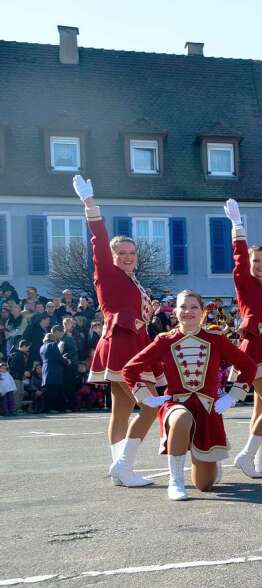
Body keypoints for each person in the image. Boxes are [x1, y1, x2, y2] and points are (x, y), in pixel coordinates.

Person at [123, 290, 257, 501]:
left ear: (202, 312)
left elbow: (249, 367)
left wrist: (233, 396)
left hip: (208, 410)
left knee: (205, 485)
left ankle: (207, 460)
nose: (188, 311)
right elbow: (130, 369)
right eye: (183, 307)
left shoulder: (216, 339)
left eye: (194, 307)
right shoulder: (164, 340)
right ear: (175, 311)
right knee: (181, 417)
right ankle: (175, 481)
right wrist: (146, 398)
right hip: (176, 403)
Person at [72, 175, 159, 488]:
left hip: (134, 346)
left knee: (121, 410)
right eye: (121, 252)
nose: (127, 257)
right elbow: (98, 238)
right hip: (121, 347)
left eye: (131, 253)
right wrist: (90, 205)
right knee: (149, 406)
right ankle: (123, 466)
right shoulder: (107, 273)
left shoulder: (133, 281)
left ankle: (119, 466)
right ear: (112, 257)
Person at [218, 199, 262, 479]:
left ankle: (260, 460)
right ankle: (246, 455)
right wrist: (238, 226)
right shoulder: (246, 283)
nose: (260, 264)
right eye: (255, 260)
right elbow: (238, 258)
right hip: (256, 348)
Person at [39, 328, 69, 413]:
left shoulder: (42, 347)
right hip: (54, 370)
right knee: (54, 391)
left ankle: (58, 408)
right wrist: (66, 360)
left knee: (50, 390)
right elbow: (58, 358)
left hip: (46, 370)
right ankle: (52, 408)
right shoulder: (53, 345)